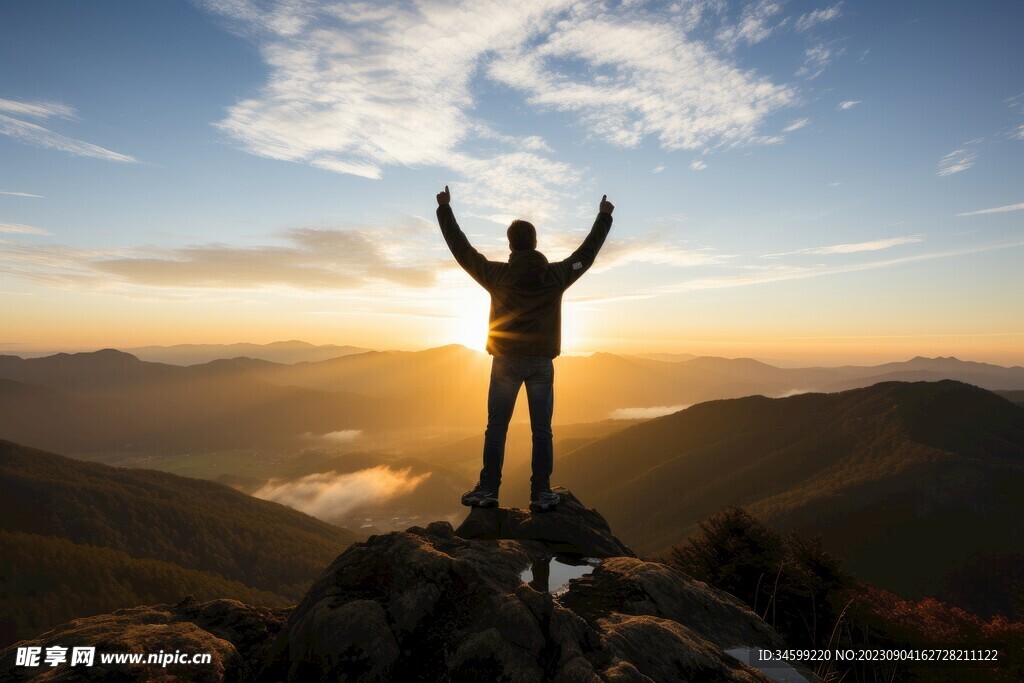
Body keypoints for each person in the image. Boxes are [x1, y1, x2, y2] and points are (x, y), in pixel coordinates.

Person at [435, 185, 614, 512]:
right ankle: (541, 493)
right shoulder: (556, 275)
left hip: (504, 362)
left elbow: (462, 250)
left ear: (510, 244)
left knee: (496, 429)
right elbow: (586, 254)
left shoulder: (496, 274)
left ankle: (488, 490)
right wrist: (604, 217)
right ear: (535, 243)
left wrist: (445, 209)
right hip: (541, 364)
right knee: (542, 431)